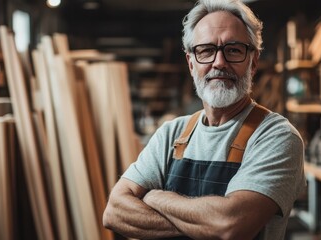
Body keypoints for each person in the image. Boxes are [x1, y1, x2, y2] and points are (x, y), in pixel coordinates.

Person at [103, 0, 306, 239]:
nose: (219, 63)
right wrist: (205, 225)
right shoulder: (171, 134)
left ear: (253, 62)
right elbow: (114, 212)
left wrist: (155, 197)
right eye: (206, 50)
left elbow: (229, 226)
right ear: (191, 63)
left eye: (233, 50)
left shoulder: (276, 137)